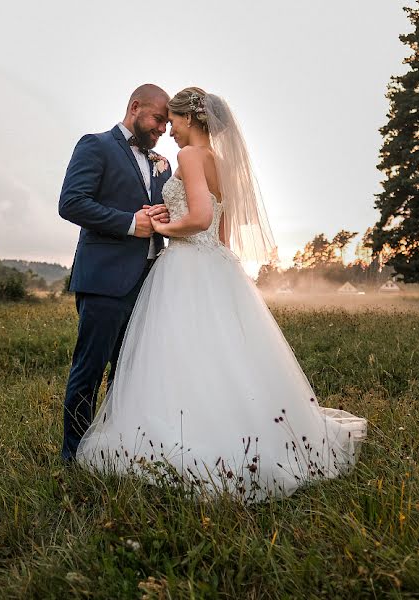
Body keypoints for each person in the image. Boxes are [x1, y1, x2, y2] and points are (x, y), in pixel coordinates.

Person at [75, 87, 367, 501]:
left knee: (179, 356)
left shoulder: (190, 157)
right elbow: (221, 232)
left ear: (189, 119)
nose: (168, 129)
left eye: (172, 120)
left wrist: (158, 228)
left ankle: (182, 437)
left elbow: (200, 217)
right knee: (218, 356)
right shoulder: (222, 163)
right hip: (213, 265)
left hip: (184, 265)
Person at [58, 84, 173, 462]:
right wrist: (129, 223)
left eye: (167, 122)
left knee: (129, 372)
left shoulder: (162, 163)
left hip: (148, 280)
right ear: (135, 107)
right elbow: (72, 202)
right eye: (158, 119)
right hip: (106, 279)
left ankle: (113, 449)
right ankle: (73, 456)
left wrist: (160, 218)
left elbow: (157, 212)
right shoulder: (95, 145)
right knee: (90, 369)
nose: (163, 129)